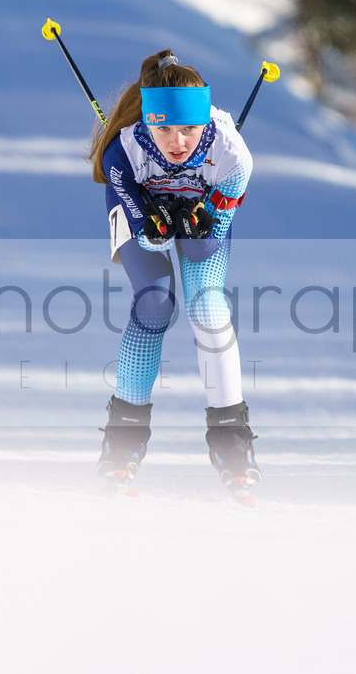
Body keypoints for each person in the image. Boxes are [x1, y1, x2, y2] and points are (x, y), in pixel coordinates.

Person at [88, 49, 260, 498]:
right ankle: (121, 443)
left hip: (198, 212)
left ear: (207, 122)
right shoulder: (124, 150)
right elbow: (148, 237)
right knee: (155, 302)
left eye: (189, 129)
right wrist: (154, 220)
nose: (177, 141)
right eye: (163, 128)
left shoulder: (233, 156)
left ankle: (233, 442)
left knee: (209, 306)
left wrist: (200, 219)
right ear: (147, 122)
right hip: (140, 213)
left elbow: (206, 241)